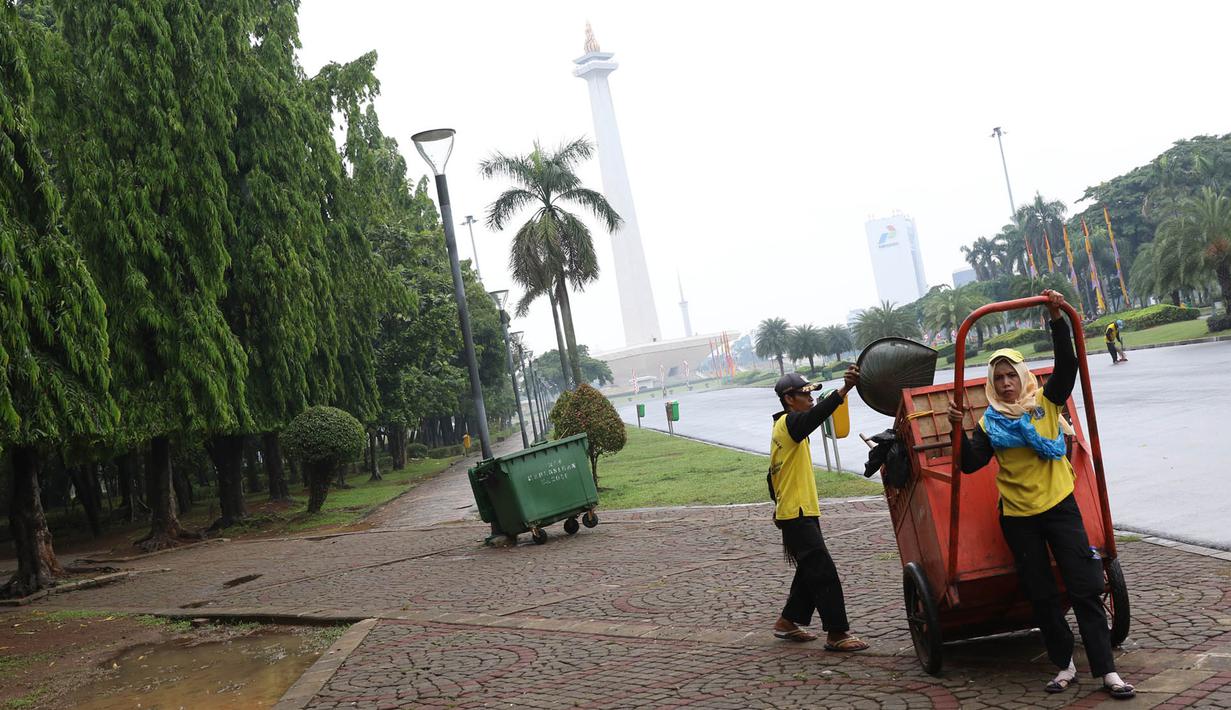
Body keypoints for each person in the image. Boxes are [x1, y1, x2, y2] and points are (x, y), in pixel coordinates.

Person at [946, 290, 1134, 700]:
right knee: (1042, 593)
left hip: (1059, 508)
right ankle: (1064, 665)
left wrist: (1056, 319)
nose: (1007, 384)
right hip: (1017, 517)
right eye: (998, 378)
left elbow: (1068, 366)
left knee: (1084, 587)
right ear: (991, 385)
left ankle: (1107, 672)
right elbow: (969, 464)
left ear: (1023, 376)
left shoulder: (1046, 402)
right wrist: (958, 428)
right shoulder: (990, 423)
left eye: (1011, 375)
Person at [768, 367, 869, 652]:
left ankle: (787, 622)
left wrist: (777, 506)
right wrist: (844, 391)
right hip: (797, 514)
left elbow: (771, 474)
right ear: (789, 399)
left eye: (812, 393)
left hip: (798, 512)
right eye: (805, 393)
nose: (810, 397)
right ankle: (837, 633)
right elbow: (814, 418)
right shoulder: (788, 424)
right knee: (822, 570)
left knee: (809, 570)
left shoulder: (783, 430)